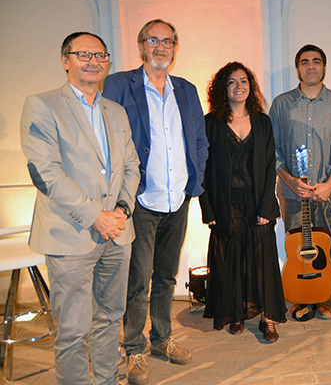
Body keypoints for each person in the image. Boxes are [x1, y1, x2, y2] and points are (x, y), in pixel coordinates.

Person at [20, 32, 140, 384]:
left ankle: (106, 379)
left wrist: (122, 211)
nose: (93, 61)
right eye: (83, 54)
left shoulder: (115, 112)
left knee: (109, 318)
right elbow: (45, 172)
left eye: (100, 55)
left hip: (118, 233)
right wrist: (94, 216)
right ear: (65, 60)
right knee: (73, 330)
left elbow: (131, 167)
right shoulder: (43, 105)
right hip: (70, 235)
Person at [102, 19, 209, 384]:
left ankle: (162, 339)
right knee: (138, 279)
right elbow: (108, 138)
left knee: (166, 275)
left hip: (178, 197)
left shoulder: (187, 90)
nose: (161, 47)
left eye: (168, 41)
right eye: (153, 40)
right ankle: (133, 349)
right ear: (141, 46)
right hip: (140, 198)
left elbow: (199, 139)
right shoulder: (119, 84)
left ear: (175, 48)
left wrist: (196, 179)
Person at [199, 62, 286, 342]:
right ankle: (235, 314)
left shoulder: (262, 121)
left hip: (257, 200)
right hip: (225, 202)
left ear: (251, 87)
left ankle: (267, 318)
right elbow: (201, 167)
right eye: (232, 82)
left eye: (244, 81)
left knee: (262, 259)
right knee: (231, 261)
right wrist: (208, 208)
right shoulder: (210, 123)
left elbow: (270, 164)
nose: (239, 86)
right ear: (223, 88)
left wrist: (266, 206)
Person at [269, 44, 331, 321]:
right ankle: (302, 296)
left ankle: (325, 296)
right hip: (292, 193)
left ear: (324, 67)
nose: (311, 66)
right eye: (305, 62)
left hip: (327, 191)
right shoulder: (281, 104)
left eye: (316, 61)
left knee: (326, 244)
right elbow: (273, 147)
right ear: (298, 68)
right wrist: (290, 181)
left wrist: (330, 183)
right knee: (298, 246)